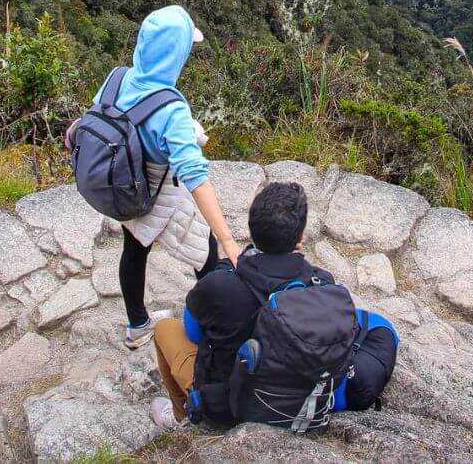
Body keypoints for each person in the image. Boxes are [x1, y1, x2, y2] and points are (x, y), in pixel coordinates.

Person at [149, 181, 399, 429]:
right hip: (293, 404)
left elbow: (192, 331)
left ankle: (181, 417)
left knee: (164, 328)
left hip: (226, 408)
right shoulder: (320, 283)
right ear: (300, 237)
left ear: (251, 229)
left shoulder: (219, 285)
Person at [73, 5, 242, 349]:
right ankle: (217, 337)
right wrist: (228, 239)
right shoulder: (172, 110)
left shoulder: (117, 77)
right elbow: (194, 176)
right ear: (177, 54)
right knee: (206, 255)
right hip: (156, 193)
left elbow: (102, 116)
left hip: (121, 186)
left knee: (134, 249)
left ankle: (138, 325)